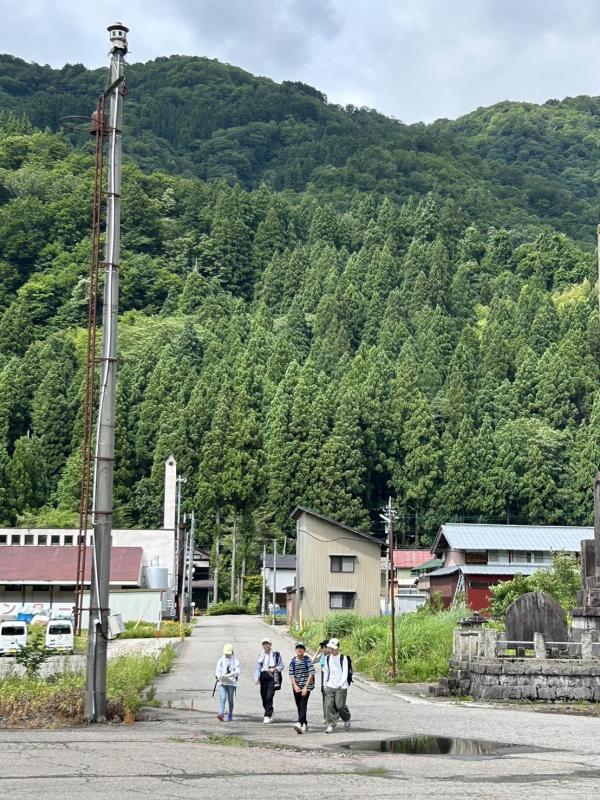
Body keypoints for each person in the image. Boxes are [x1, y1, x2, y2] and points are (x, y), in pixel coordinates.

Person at [322, 637, 351, 734]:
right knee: (328, 705)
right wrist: (324, 685)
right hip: (330, 685)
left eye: (333, 648)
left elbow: (345, 673)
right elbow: (326, 672)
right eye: (331, 648)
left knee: (340, 706)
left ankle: (346, 718)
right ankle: (330, 725)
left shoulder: (343, 658)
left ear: (338, 648)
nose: (332, 650)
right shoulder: (327, 658)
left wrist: (340, 684)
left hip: (341, 686)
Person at [253, 636, 284, 723]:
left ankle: (267, 715)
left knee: (269, 696)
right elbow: (258, 667)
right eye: (264, 644)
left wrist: (275, 668)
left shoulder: (276, 655)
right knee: (264, 697)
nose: (265, 645)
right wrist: (256, 678)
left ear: (270, 645)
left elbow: (281, 666)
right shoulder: (261, 654)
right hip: (263, 676)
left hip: (272, 677)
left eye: (267, 643)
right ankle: (270, 710)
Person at [289, 642, 315, 733]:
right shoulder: (293, 661)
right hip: (296, 686)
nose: (299, 650)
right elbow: (291, 674)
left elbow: (311, 674)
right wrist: (295, 686)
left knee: (303, 704)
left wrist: (305, 687)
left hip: (306, 686)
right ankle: (304, 723)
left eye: (301, 648)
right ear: (295, 650)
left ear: (304, 650)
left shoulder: (307, 661)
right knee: (299, 705)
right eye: (298, 648)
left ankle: (300, 723)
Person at [214, 643, 240, 721]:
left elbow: (238, 671)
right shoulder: (221, 660)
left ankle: (230, 714)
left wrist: (232, 674)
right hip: (222, 682)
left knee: (230, 700)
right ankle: (221, 713)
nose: (227, 655)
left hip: (231, 682)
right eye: (226, 654)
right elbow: (217, 670)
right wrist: (218, 676)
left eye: (229, 653)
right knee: (223, 698)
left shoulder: (235, 660)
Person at [312, 639, 329, 723]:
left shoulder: (331, 656)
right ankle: (326, 716)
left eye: (325, 647)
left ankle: (332, 714)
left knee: (331, 695)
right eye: (322, 647)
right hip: (323, 675)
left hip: (330, 676)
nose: (323, 648)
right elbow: (312, 661)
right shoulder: (322, 655)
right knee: (324, 695)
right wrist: (317, 652)